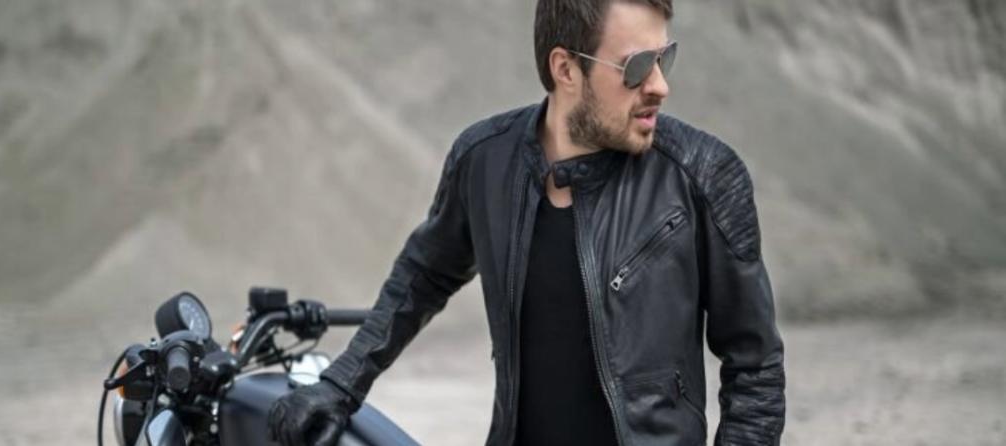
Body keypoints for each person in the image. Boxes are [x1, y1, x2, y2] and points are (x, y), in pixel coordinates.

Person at [268, 0, 786, 444]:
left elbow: (755, 365)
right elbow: (422, 277)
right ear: (565, 69)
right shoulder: (484, 161)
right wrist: (340, 385)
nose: (659, 85)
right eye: (637, 66)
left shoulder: (704, 174)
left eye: (664, 58)